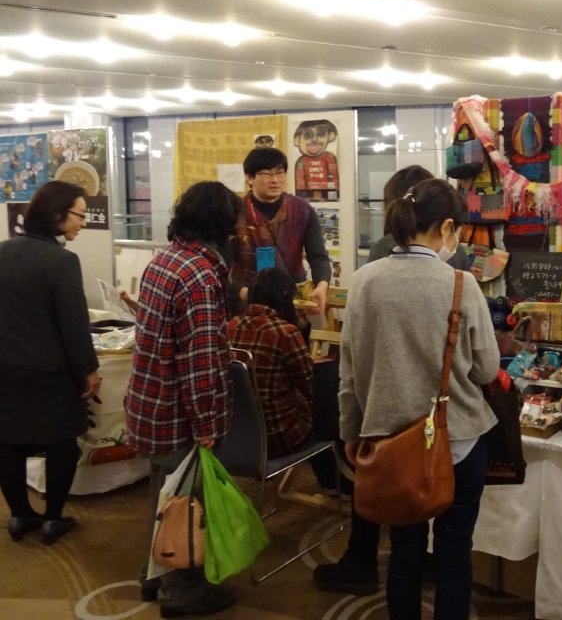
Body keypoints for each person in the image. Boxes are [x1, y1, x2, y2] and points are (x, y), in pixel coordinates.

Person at [320, 178, 499, 620]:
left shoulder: (364, 281)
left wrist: (350, 433)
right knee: (454, 550)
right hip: (457, 439)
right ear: (447, 227)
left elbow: (349, 371)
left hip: (390, 442)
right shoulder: (461, 284)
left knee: (404, 549)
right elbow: (486, 370)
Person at [125, 181, 241, 618]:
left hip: (149, 403)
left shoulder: (165, 259)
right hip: (179, 414)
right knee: (186, 506)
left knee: (164, 498)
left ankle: (153, 575)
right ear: (221, 224)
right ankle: (182, 592)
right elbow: (200, 361)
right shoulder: (200, 276)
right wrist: (207, 425)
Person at [0, 181, 101, 545]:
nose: (84, 222)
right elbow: (74, 325)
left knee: (8, 441)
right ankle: (53, 519)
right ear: (57, 215)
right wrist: (89, 370)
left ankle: (19, 515)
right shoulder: (62, 261)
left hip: (6, 368)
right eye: (80, 215)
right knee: (61, 443)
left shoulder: (3, 251)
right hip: (51, 372)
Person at [227, 267, 339, 492]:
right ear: (285, 297)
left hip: (241, 438)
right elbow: (308, 385)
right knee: (332, 398)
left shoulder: (232, 325)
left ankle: (330, 480)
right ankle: (337, 482)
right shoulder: (285, 332)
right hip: (281, 437)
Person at [232, 146, 331, 315]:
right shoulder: (235, 212)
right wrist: (244, 293)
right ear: (249, 177)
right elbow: (223, 265)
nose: (275, 180)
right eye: (267, 174)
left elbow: (318, 256)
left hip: (291, 298)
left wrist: (321, 286)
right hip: (246, 298)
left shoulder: (302, 210)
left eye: (280, 173)